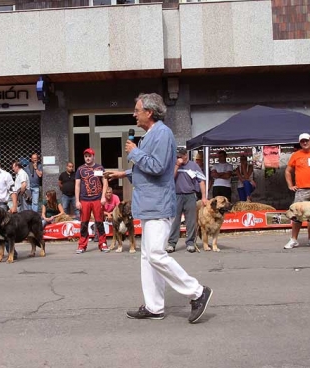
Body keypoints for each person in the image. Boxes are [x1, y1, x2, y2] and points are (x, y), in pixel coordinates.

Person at [105, 93, 212, 323]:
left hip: (158, 205)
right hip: (148, 205)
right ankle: (154, 307)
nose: (134, 114)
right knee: (147, 257)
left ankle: (197, 292)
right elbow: (147, 169)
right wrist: (123, 173)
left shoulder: (162, 134)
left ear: (149, 113)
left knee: (155, 254)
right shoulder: (151, 135)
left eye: (137, 110)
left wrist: (135, 152)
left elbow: (157, 166)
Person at [167, 147, 208, 253]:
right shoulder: (174, 164)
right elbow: (170, 179)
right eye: (177, 156)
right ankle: (172, 243)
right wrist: (177, 165)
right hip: (176, 195)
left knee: (191, 220)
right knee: (175, 220)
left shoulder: (194, 166)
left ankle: (190, 243)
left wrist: (204, 197)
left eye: (180, 156)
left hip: (190, 195)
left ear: (186, 155)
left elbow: (201, 181)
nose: (178, 158)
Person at [75, 147, 109, 254]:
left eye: (89, 156)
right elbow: (77, 185)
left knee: (99, 222)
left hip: (97, 199)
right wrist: (77, 200)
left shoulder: (99, 168)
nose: (88, 158)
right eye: (86, 156)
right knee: (84, 223)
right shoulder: (80, 169)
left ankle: (102, 243)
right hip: (84, 200)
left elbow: (105, 182)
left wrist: (103, 196)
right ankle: (82, 245)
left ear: (93, 156)